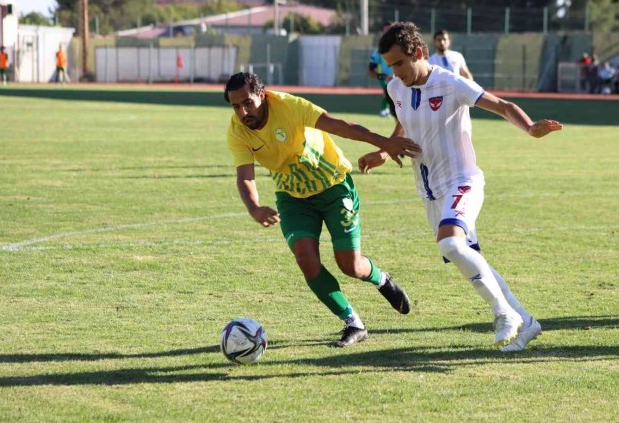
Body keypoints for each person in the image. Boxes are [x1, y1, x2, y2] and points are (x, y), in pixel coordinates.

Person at [358, 22, 562, 351]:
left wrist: (531, 129)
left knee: (451, 245)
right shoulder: (397, 89)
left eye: (398, 64)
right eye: (389, 66)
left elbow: (503, 106)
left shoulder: (450, 83)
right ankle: (527, 322)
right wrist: (384, 151)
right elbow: (404, 126)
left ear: (419, 53)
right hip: (430, 191)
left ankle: (504, 313)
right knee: (466, 256)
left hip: (462, 181)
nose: (394, 73)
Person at [224, 72, 421, 348]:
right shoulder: (238, 130)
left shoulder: (291, 107)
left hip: (334, 186)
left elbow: (341, 126)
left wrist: (383, 143)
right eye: (235, 106)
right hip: (293, 197)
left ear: (263, 94)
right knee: (305, 258)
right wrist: (254, 207)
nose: (243, 112)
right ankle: (353, 322)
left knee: (350, 265)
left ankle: (382, 279)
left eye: (248, 103)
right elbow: (245, 175)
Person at [368, 22, 395, 118]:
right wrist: (384, 77)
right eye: (385, 30)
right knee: (388, 94)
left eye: (390, 30)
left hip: (403, 80)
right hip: (387, 80)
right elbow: (370, 72)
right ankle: (384, 110)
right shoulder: (379, 51)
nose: (387, 33)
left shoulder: (403, 47)